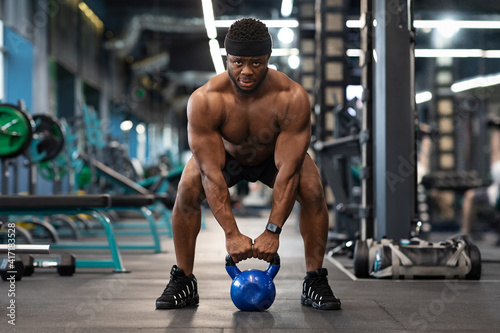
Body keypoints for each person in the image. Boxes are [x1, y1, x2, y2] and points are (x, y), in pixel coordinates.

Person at [156, 18, 341, 311]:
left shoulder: (291, 97)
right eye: (238, 62)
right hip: (226, 158)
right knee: (187, 188)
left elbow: (289, 171)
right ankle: (183, 279)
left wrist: (272, 231)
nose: (246, 71)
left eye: (256, 62)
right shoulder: (206, 100)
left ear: (268, 58)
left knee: (312, 188)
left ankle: (314, 279)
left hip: (273, 157)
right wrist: (231, 234)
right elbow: (210, 173)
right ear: (227, 58)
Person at [461, 118, 500, 238]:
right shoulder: (497, 166)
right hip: (494, 193)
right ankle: (465, 232)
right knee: (470, 195)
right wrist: (495, 130)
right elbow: (495, 151)